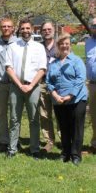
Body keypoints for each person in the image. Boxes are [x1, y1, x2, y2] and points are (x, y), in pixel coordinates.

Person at [5, 18, 47, 159]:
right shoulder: (12, 46)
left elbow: (42, 69)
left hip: (33, 87)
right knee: (14, 118)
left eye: (27, 28)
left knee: (34, 119)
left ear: (32, 29)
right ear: (19, 30)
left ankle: (34, 149)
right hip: (16, 86)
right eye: (22, 28)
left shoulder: (39, 47)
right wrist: (20, 85)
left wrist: (30, 85)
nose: (25, 31)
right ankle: (12, 148)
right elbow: (8, 68)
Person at [46, 33, 87, 165]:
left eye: (67, 43)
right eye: (62, 44)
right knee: (64, 127)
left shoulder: (76, 61)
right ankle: (65, 153)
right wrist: (56, 95)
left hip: (77, 99)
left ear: (70, 45)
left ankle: (76, 155)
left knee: (76, 127)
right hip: (59, 101)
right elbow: (49, 81)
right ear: (58, 46)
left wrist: (70, 95)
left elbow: (80, 79)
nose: (64, 46)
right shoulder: (54, 63)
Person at [0, 18, 17, 151]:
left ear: (13, 28)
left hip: (15, 84)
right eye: (3, 26)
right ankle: (2, 140)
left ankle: (14, 140)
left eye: (8, 26)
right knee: (1, 113)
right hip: (1, 84)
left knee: (15, 113)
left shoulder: (19, 43)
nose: (6, 28)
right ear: (0, 28)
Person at [39, 22, 56, 152]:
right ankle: (49, 140)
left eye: (49, 29)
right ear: (41, 32)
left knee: (60, 113)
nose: (47, 31)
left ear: (54, 30)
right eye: (44, 29)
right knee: (44, 114)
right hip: (43, 84)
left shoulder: (60, 45)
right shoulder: (38, 47)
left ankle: (64, 138)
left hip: (58, 85)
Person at [85, 18, 96, 154]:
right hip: (92, 85)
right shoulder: (88, 42)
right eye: (93, 25)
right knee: (94, 116)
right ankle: (94, 145)